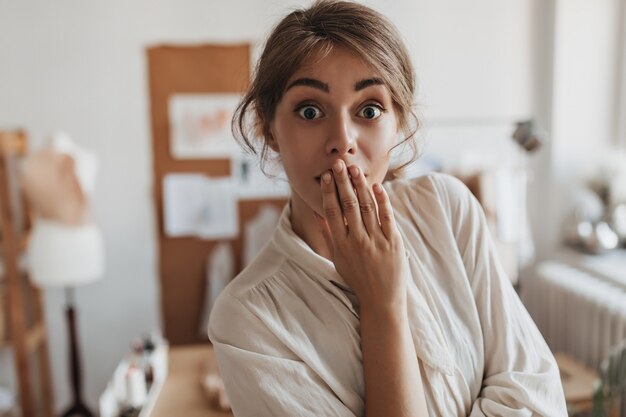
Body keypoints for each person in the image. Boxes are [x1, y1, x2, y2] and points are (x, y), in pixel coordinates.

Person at [208, 1, 568, 416]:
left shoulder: (447, 210)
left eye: (369, 109)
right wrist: (383, 305)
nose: (342, 141)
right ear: (268, 128)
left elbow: (538, 397)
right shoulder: (248, 319)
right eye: (310, 111)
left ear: (398, 121)